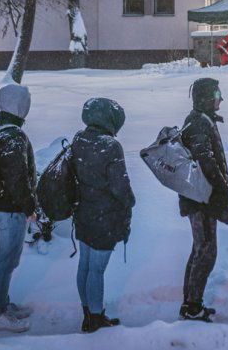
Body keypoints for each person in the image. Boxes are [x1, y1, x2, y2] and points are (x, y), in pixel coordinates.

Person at [72, 97, 134, 333]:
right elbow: (120, 186)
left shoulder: (80, 138)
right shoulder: (110, 146)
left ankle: (87, 312)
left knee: (85, 265)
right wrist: (130, 201)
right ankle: (95, 318)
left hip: (84, 212)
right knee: (96, 269)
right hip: (104, 216)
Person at [179, 78, 228, 322]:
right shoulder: (199, 123)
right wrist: (221, 187)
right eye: (216, 93)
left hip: (199, 197)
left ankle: (190, 303)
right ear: (205, 97)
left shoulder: (200, 120)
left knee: (200, 249)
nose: (220, 98)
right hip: (202, 199)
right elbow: (205, 159)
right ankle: (192, 307)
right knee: (206, 251)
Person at [0, 85, 38, 333]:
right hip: (8, 208)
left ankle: (3, 305)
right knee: (6, 259)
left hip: (1, 205)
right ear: (17, 105)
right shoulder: (12, 135)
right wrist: (29, 206)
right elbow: (17, 178)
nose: (28, 105)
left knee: (7, 258)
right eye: (26, 101)